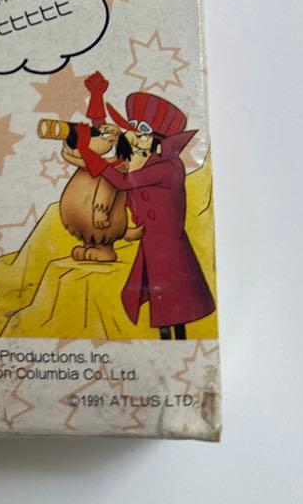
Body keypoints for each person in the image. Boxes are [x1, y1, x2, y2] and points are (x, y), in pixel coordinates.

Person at [70, 90, 215, 339]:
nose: (133, 137)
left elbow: (124, 181)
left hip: (169, 247)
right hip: (153, 243)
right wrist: (97, 103)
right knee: (163, 304)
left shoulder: (167, 167)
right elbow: (107, 141)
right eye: (131, 130)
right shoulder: (144, 159)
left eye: (141, 134)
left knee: (174, 304)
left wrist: (91, 156)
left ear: (159, 142)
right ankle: (169, 342)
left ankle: (177, 345)